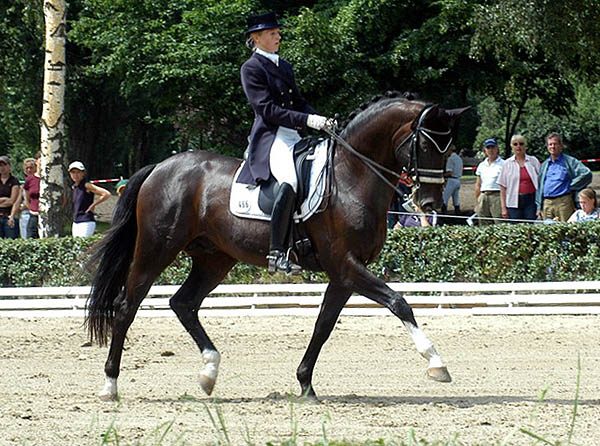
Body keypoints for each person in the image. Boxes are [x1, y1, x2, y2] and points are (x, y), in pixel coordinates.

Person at [237, 11, 334, 273]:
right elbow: (266, 109)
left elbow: (299, 102)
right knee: (289, 182)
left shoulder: (284, 65)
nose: (278, 36)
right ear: (256, 38)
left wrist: (319, 119)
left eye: (278, 32)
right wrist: (307, 120)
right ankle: (276, 253)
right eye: (272, 33)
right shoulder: (252, 68)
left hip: (294, 134)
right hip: (272, 137)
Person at [536, 132, 592, 222]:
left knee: (565, 230)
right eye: (550, 144)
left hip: (563, 202)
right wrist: (539, 206)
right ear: (547, 147)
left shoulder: (569, 161)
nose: (552, 147)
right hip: (547, 203)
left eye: (555, 144)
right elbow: (539, 187)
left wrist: (570, 185)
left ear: (561, 146)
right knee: (547, 232)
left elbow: (586, 173)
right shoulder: (545, 164)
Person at [497, 135, 540, 222]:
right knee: (515, 229)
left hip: (531, 200)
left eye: (521, 144)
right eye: (515, 144)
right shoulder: (507, 163)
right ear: (512, 146)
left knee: (530, 228)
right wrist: (503, 208)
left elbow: (541, 181)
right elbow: (503, 187)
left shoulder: (533, 161)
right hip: (513, 201)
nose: (518, 146)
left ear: (525, 146)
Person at [68, 161, 111, 237]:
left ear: (83, 173)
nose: (75, 175)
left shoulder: (86, 185)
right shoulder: (74, 187)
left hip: (86, 220)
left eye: (78, 172)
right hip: (76, 221)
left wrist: (93, 205)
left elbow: (106, 194)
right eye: (73, 172)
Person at [475, 138, 504, 225]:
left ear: (497, 148)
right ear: (485, 150)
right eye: (488, 148)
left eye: (493, 147)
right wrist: (477, 203)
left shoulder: (504, 164)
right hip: (483, 195)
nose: (491, 150)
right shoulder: (481, 165)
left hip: (497, 196)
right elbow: (478, 185)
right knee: (483, 222)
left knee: (499, 222)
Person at [0, 155, 20, 239]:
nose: (2, 168)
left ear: (9, 166)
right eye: (0, 165)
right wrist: (5, 199)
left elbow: (12, 201)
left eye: (4, 165)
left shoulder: (14, 181)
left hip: (9, 217)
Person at [441, 145, 463, 215]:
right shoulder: (459, 158)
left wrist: (441, 176)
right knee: (455, 199)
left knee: (445, 198)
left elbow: (449, 172)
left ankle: (444, 213)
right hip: (458, 180)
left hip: (451, 180)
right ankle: (457, 212)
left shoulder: (450, 159)